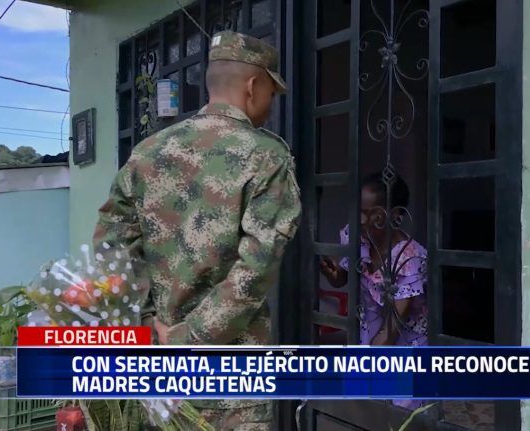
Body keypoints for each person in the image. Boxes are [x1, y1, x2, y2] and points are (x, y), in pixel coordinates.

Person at [92, 30, 301, 431]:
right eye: (272, 94)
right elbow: (255, 269)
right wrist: (189, 339)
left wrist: (149, 324)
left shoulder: (147, 152)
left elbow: (111, 247)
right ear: (254, 86)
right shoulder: (267, 156)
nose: (271, 106)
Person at [319, 173, 428, 347]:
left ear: (395, 214)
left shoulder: (409, 260)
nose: (360, 220)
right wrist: (332, 274)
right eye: (357, 211)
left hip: (402, 346)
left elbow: (391, 330)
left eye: (370, 213)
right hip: (366, 337)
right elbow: (342, 279)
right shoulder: (357, 239)